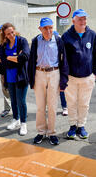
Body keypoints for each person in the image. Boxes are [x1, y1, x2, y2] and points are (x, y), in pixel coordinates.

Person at [29, 17, 69, 145]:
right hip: (39, 73)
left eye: (50, 27)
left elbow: (64, 61)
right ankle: (41, 132)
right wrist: (31, 79)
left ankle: (51, 132)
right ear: (40, 29)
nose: (48, 30)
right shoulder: (35, 41)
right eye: (45, 28)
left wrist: (64, 81)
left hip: (54, 74)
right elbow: (31, 61)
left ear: (53, 28)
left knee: (52, 106)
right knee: (40, 106)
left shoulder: (58, 41)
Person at [62, 9, 96, 139]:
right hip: (71, 77)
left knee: (84, 103)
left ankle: (81, 126)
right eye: (80, 19)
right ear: (73, 20)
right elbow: (63, 57)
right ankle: (73, 126)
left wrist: (95, 72)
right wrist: (64, 75)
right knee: (71, 103)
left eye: (84, 19)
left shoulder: (92, 35)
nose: (83, 21)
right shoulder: (66, 36)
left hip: (88, 76)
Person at [0, 23, 30, 136]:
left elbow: (25, 56)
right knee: (13, 100)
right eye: (8, 34)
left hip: (21, 76)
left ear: (14, 30)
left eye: (12, 32)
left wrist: (10, 58)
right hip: (10, 76)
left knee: (21, 101)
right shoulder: (4, 45)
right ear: (5, 35)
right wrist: (15, 58)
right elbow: (3, 60)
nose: (11, 35)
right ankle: (16, 119)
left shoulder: (22, 41)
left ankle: (23, 123)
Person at [0, 25, 11, 118]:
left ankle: (19, 109)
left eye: (1, 31)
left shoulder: (12, 42)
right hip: (3, 71)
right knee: (5, 90)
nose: (0, 33)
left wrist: (4, 59)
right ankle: (7, 109)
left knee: (15, 90)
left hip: (13, 71)